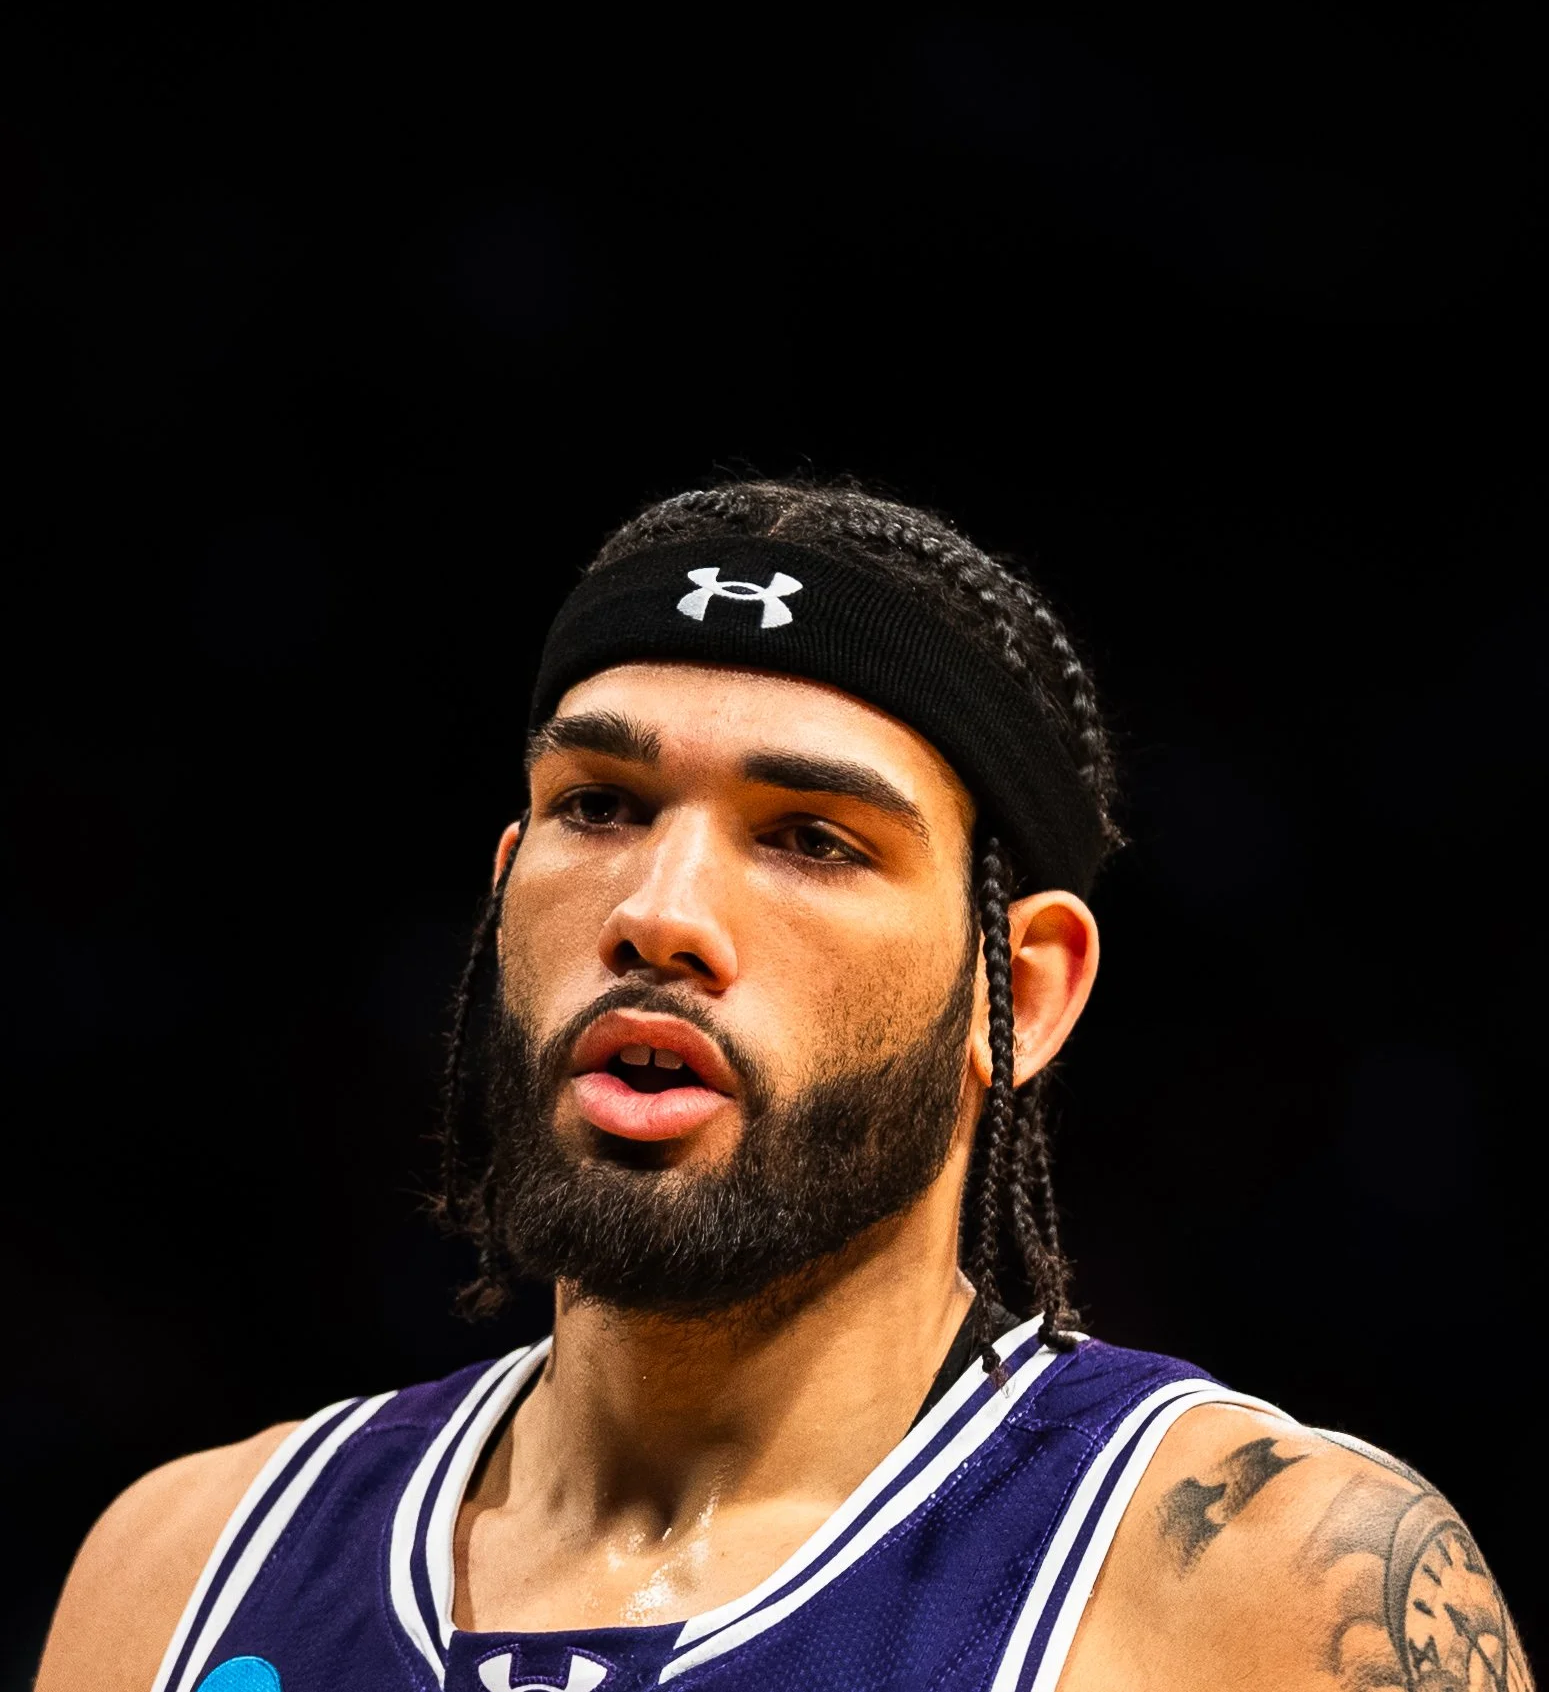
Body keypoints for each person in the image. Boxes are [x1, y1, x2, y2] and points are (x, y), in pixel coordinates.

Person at [37, 481, 1529, 1692]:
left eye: (811, 836)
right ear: (506, 894)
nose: (660, 911)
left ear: (1023, 991)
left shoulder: (1264, 1587)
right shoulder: (176, 1572)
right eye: (601, 808)